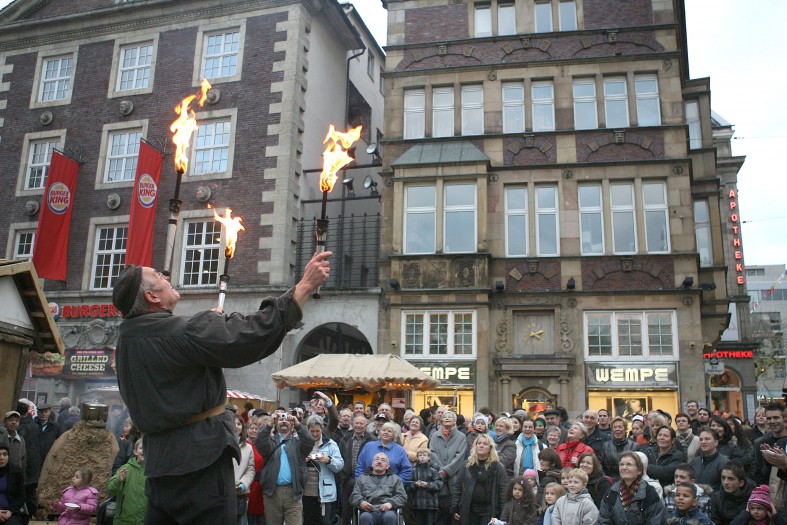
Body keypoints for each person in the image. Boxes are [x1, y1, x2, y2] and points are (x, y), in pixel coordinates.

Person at [111, 252, 331, 523]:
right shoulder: (181, 331)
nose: (166, 277)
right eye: (158, 276)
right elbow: (250, 334)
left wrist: (208, 331)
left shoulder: (127, 340)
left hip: (160, 465)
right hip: (200, 463)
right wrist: (304, 286)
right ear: (151, 297)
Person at [254, 412, 315, 525]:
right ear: (276, 424)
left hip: (293, 493)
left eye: (287, 420)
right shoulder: (270, 442)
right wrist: (269, 424)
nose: (284, 422)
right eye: (281, 420)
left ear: (291, 426)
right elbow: (258, 442)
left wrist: (298, 425)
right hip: (272, 492)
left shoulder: (298, 444)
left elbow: (310, 441)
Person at [451, 434, 507, 525]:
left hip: (489, 511)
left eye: (485, 444)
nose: (481, 445)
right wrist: (455, 508)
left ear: (490, 448)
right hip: (469, 510)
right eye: (479, 443)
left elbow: (503, 492)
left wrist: (503, 515)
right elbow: (458, 487)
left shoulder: (498, 467)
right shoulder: (466, 465)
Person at [597, 451, 665, 525]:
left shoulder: (649, 493)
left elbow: (655, 520)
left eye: (629, 464)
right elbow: (603, 521)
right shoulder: (611, 493)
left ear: (639, 470)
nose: (624, 467)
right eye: (621, 464)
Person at [302, 415, 344, 525]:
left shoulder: (331, 444)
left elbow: (340, 465)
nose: (315, 434)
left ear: (322, 429)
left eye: (317, 431)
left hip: (324, 492)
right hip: (305, 491)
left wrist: (329, 460)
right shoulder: (301, 442)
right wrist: (303, 461)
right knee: (307, 521)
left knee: (324, 522)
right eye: (312, 431)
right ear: (307, 429)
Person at [428, 411, 467, 525]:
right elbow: (432, 452)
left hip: (455, 478)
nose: (447, 418)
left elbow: (460, 456)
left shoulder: (461, 436)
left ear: (455, 421)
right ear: (441, 420)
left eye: (450, 417)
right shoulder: (435, 436)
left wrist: (447, 470)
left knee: (453, 514)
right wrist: (441, 470)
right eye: (445, 417)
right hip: (439, 479)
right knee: (440, 515)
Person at [351, 453, 407, 525]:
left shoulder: (395, 479)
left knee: (390, 517)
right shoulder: (362, 478)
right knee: (365, 517)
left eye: (383, 460)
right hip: (368, 511)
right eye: (377, 459)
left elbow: (402, 496)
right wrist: (361, 502)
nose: (379, 462)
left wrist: (391, 503)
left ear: (388, 466)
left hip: (388, 511)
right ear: (372, 464)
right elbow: (354, 495)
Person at [340, 415, 375, 525]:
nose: (359, 425)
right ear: (352, 424)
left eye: (361, 423)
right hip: (348, 478)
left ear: (366, 425)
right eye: (356, 423)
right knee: (346, 510)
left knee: (365, 509)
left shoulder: (372, 440)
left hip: (367, 478)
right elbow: (340, 457)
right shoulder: (345, 439)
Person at [107, 438, 148, 525]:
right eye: (141, 448)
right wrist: (118, 481)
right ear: (135, 452)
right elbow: (110, 490)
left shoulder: (153, 472)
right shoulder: (126, 468)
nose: (144, 450)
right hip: (123, 520)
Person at [708, 461, 754, 525]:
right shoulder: (716, 498)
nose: (725, 482)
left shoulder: (751, 499)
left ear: (741, 483)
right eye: (723, 478)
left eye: (731, 479)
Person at [407, 450, 443, 525]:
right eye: (420, 455)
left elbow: (439, 484)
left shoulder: (433, 470)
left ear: (429, 457)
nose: (422, 457)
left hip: (431, 504)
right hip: (417, 504)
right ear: (417, 458)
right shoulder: (413, 470)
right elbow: (408, 484)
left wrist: (428, 485)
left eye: (424, 455)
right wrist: (415, 484)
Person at [232, 414, 255, 525]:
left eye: (239, 424)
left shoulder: (248, 447)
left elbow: (250, 470)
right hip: (222, 493)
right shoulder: (220, 444)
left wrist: (243, 485)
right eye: (234, 423)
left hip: (239, 494)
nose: (236, 426)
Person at [0, 442, 25, 525]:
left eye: (5, 454)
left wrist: (10, 511)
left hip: (10, 511)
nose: (2, 458)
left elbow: (21, 496)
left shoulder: (16, 471)